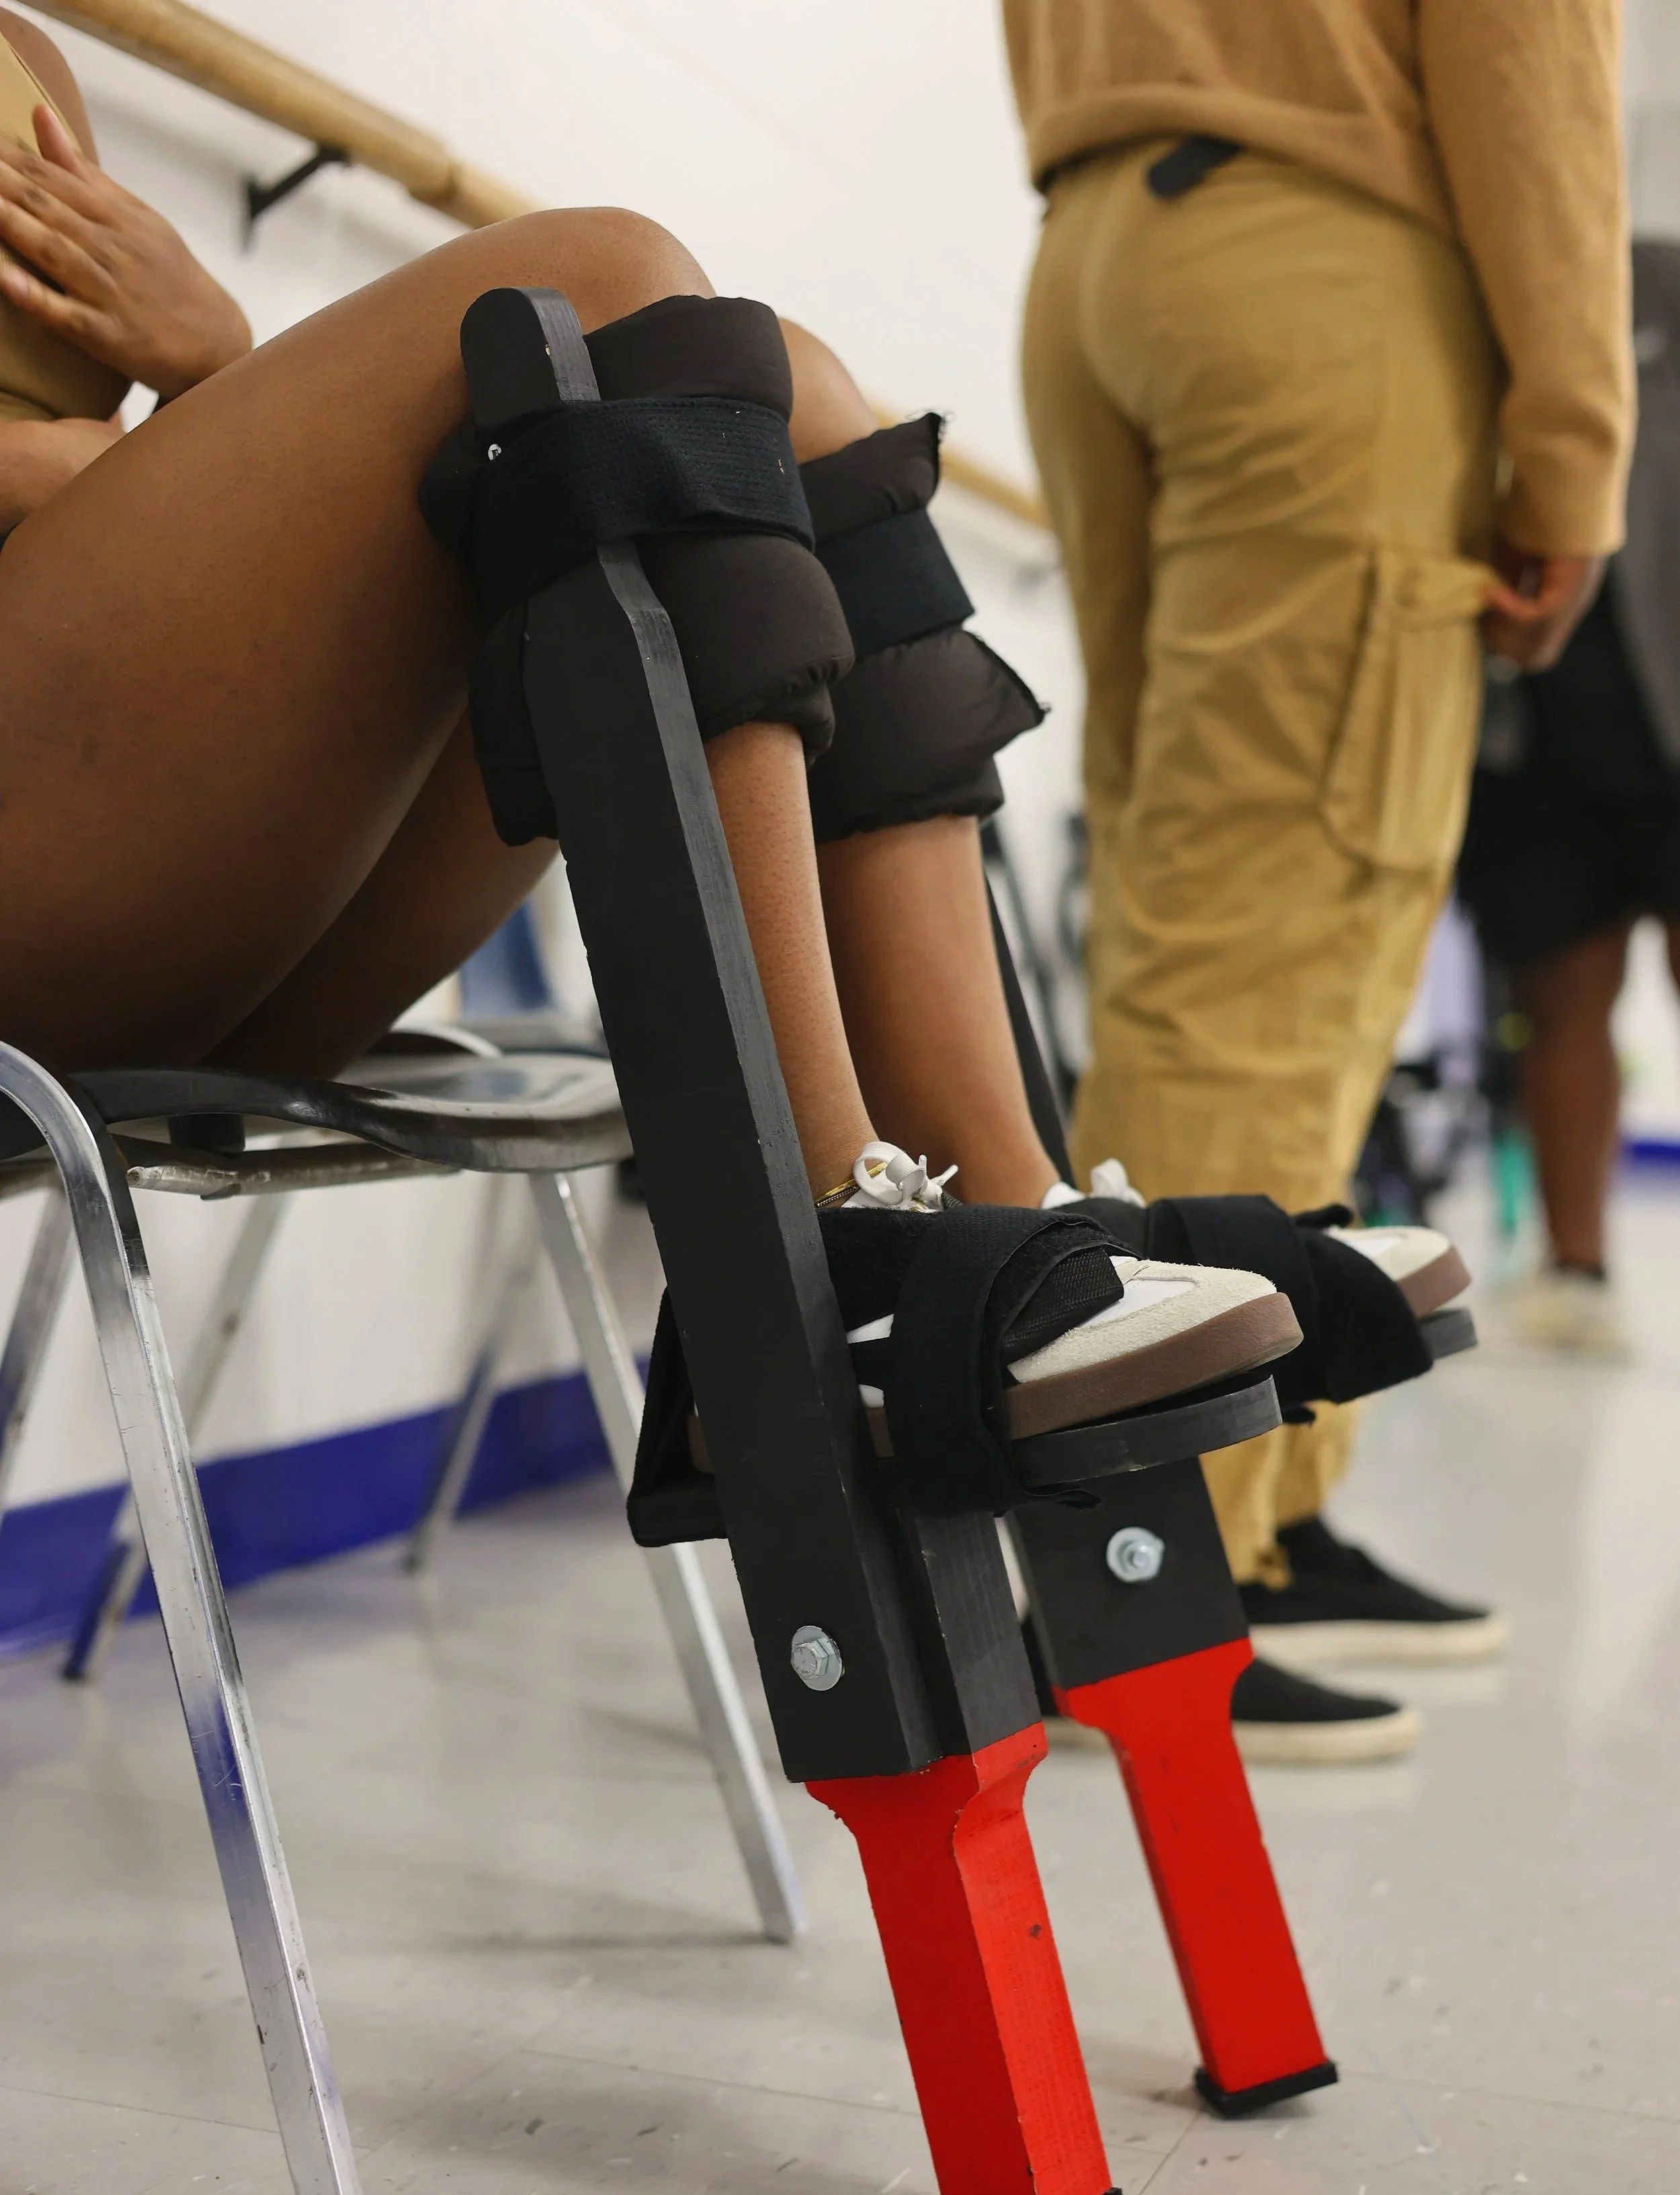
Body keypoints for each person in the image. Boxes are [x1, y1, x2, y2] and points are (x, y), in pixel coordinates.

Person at [0, 15, 1464, 1753]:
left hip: (176, 893)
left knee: (792, 386)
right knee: (608, 285)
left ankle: (995, 1205)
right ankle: (837, 1235)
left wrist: (215, 379)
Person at [1003, 0, 1632, 1704]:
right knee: (1281, 951)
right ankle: (1159, 1573)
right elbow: (1527, 56)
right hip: (1315, 270)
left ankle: (1251, 1512)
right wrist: (1573, 454)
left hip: (1094, 246)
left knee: (1182, 932)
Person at [1460, 240, 1680, 1359]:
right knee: (1564, 991)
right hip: (1543, 716)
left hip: (1667, 700)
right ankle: (1576, 1267)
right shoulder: (1518, 283)